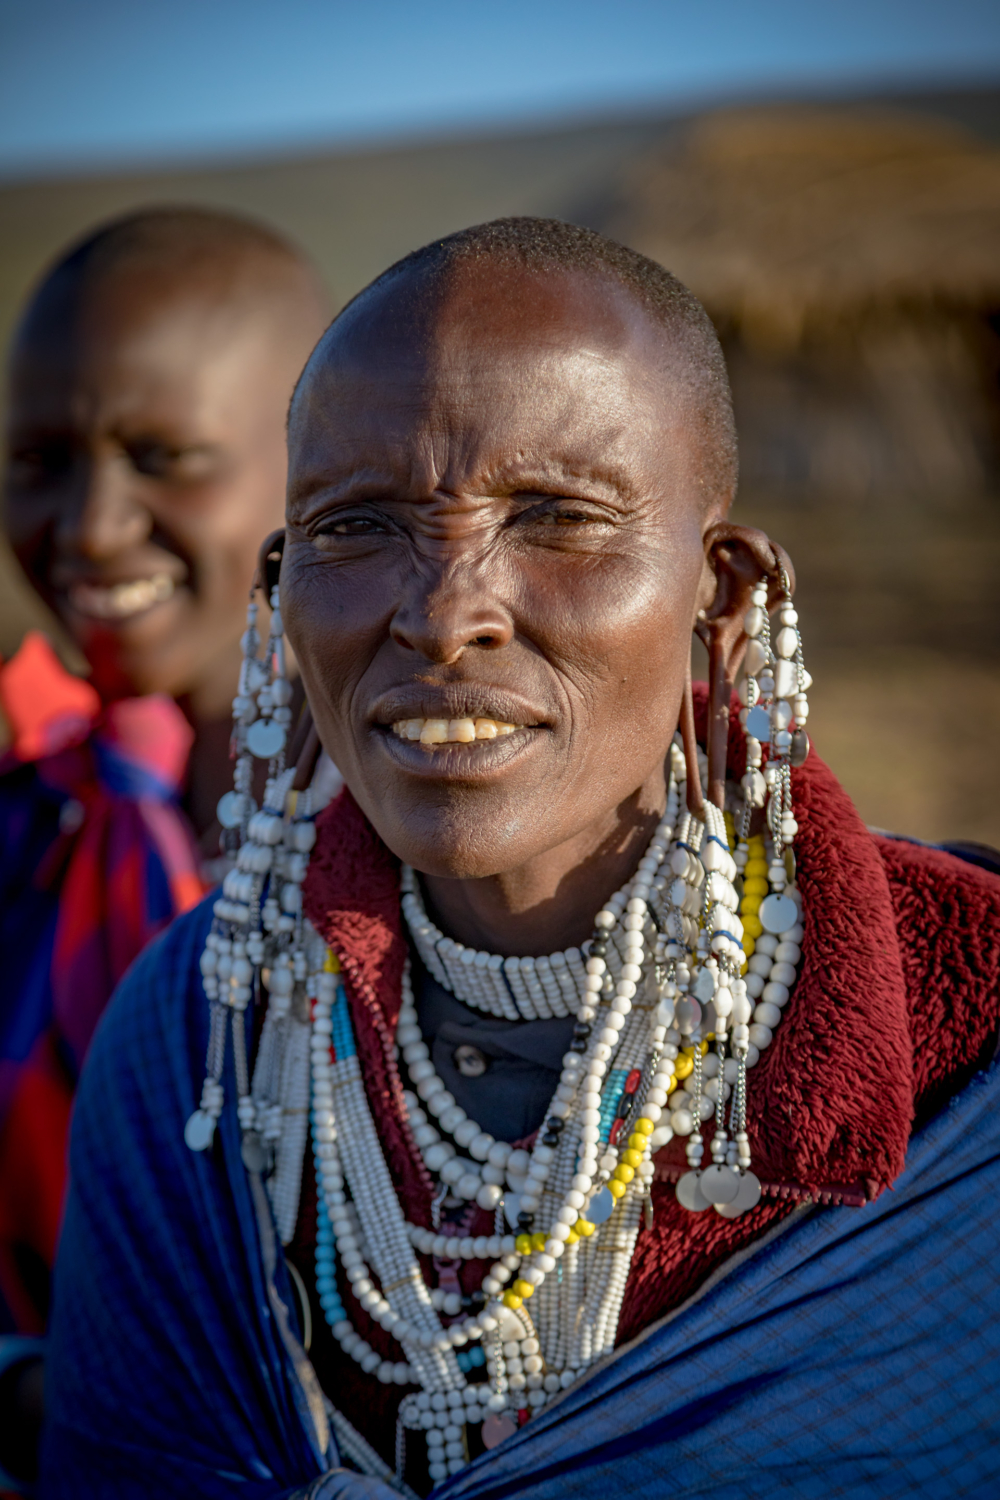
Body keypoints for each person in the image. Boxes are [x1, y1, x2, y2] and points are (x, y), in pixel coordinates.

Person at [41, 219, 1000, 1500]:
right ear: (279, 595)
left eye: (554, 516)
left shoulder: (972, 1046)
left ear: (720, 599)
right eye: (356, 525)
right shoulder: (194, 1043)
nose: (444, 616)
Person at [0, 206, 330, 1483]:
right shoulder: (30, 819)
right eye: (37, 457)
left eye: (163, 456)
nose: (87, 526)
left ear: (316, 461)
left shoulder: (442, 838)